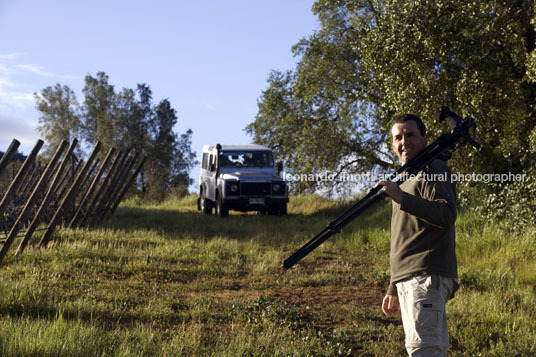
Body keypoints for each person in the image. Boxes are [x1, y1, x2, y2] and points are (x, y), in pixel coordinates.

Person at [376, 114, 458, 357]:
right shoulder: (407, 176)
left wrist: (401, 197)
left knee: (425, 350)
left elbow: (446, 213)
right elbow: (406, 236)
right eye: (397, 138)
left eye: (410, 135)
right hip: (411, 278)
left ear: (425, 137)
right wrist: (394, 285)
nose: (404, 142)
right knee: (422, 349)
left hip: (425, 277)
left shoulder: (434, 167)